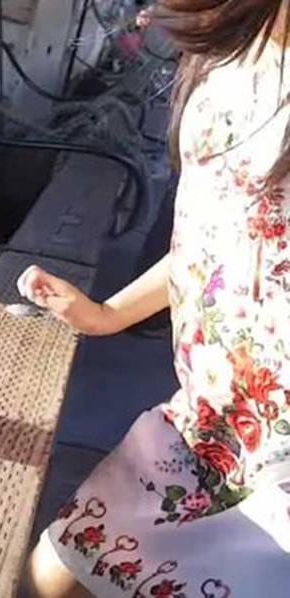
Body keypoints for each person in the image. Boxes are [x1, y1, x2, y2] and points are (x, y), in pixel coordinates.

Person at [21, 1, 290, 596]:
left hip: (278, 462)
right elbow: (211, 235)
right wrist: (107, 314)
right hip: (204, 426)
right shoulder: (228, 54)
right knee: (52, 567)